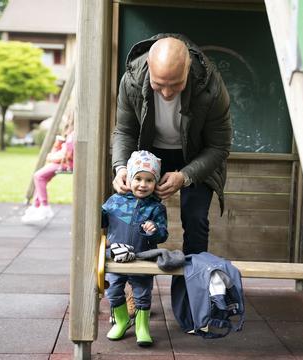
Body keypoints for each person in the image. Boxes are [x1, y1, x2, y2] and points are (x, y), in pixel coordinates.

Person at [112, 34, 232, 256]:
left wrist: (185, 176)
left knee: (195, 218)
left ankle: (189, 288)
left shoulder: (212, 88)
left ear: (188, 68)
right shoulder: (131, 81)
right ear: (148, 65)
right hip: (150, 153)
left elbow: (220, 146)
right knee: (134, 213)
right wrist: (121, 167)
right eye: (159, 85)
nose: (167, 93)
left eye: (176, 85)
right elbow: (125, 131)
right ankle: (140, 286)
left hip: (197, 155)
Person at [102, 150, 168, 347]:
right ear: (129, 178)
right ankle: (122, 321)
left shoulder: (156, 208)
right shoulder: (115, 201)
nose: (142, 184)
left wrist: (153, 230)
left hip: (142, 256)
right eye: (138, 178)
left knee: (142, 293)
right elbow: (101, 220)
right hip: (116, 255)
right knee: (113, 290)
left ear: (155, 183)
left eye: (149, 180)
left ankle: (142, 327)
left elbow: (163, 234)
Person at [21, 116, 75, 223]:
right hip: (61, 162)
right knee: (42, 178)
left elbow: (67, 155)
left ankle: (45, 206)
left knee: (38, 175)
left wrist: (51, 157)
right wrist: (57, 146)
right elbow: (60, 152)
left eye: (68, 122)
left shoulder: (73, 135)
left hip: (67, 164)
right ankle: (36, 206)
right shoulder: (69, 135)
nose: (66, 124)